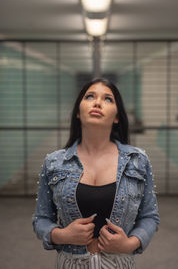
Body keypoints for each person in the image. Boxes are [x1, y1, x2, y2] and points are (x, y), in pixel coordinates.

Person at [33, 78, 160, 269]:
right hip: (70, 263)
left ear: (117, 116)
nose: (97, 102)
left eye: (108, 99)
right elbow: (41, 219)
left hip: (120, 264)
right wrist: (61, 235)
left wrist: (130, 244)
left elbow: (150, 216)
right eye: (89, 96)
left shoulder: (137, 160)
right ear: (78, 111)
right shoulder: (54, 163)